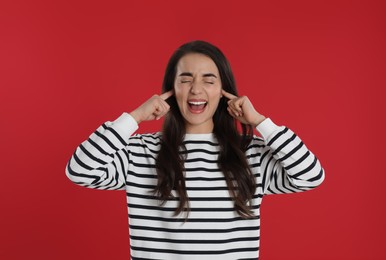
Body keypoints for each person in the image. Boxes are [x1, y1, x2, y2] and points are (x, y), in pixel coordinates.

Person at [66, 40, 325, 260]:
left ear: (224, 92)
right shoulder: (139, 152)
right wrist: (134, 117)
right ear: (171, 90)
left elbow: (310, 176)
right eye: (186, 79)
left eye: (208, 80)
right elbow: (80, 170)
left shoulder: (250, 154)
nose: (196, 89)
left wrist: (260, 122)